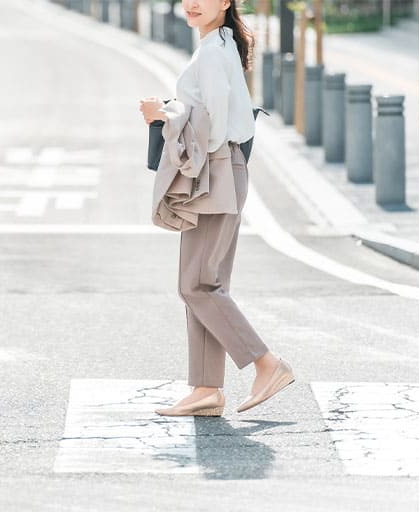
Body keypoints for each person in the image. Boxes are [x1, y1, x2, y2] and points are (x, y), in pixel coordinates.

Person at [139, 0, 294, 416]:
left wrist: (163, 116)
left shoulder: (212, 52)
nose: (192, 3)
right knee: (206, 284)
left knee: (196, 286)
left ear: (225, 2)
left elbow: (214, 128)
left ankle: (266, 363)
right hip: (225, 168)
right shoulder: (219, 44)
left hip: (216, 169)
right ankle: (206, 388)